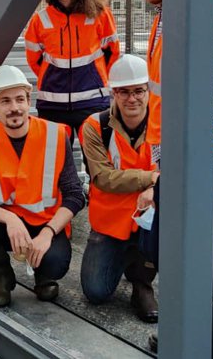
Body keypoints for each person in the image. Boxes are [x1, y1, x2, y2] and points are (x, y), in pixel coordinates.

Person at [120, 0, 213, 358]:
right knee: (181, 240)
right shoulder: (165, 19)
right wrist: (161, 161)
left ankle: (212, 341)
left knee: (202, 241)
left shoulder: (203, 14)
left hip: (208, 155)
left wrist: (189, 161)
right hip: (182, 157)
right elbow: (160, 100)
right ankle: (199, 332)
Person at [0, 66, 86, 307]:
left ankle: (43, 275)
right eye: (6, 101)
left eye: (20, 99)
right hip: (7, 226)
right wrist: (10, 220)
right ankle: (2, 275)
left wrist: (48, 233)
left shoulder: (55, 135)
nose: (14, 108)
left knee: (56, 263)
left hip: (45, 224)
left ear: (29, 100)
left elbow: (75, 195)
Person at [78, 54, 159, 323]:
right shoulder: (94, 127)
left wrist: (156, 191)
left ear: (148, 90)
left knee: (164, 228)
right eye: (124, 92)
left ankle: (142, 284)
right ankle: (126, 258)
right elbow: (103, 177)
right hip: (110, 223)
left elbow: (177, 170)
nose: (132, 98)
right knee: (96, 291)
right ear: (114, 93)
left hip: (149, 220)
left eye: (138, 90)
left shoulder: (166, 123)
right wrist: (152, 180)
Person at [24, 0, 120, 135]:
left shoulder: (100, 14)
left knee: (96, 161)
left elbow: (112, 53)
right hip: (52, 104)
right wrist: (53, 77)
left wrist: (97, 78)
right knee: (55, 160)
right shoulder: (40, 19)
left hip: (93, 102)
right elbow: (34, 60)